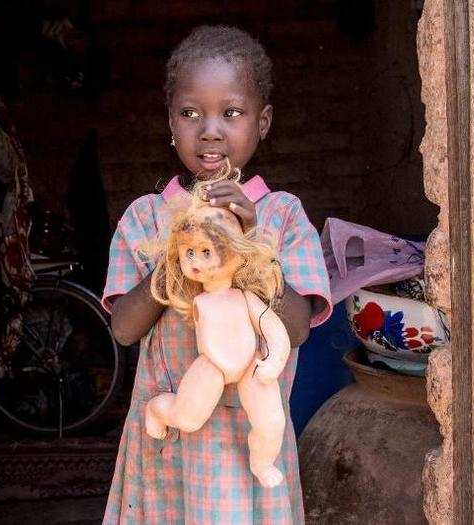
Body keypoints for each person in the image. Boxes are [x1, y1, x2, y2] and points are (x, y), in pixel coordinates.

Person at [101, 25, 332, 524]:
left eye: (231, 113)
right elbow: (123, 328)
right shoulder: (146, 218)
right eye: (190, 114)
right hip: (167, 441)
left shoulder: (283, 216)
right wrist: (185, 248)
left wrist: (245, 247)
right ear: (170, 122)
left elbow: (295, 328)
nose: (210, 130)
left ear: (262, 122)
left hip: (248, 440)